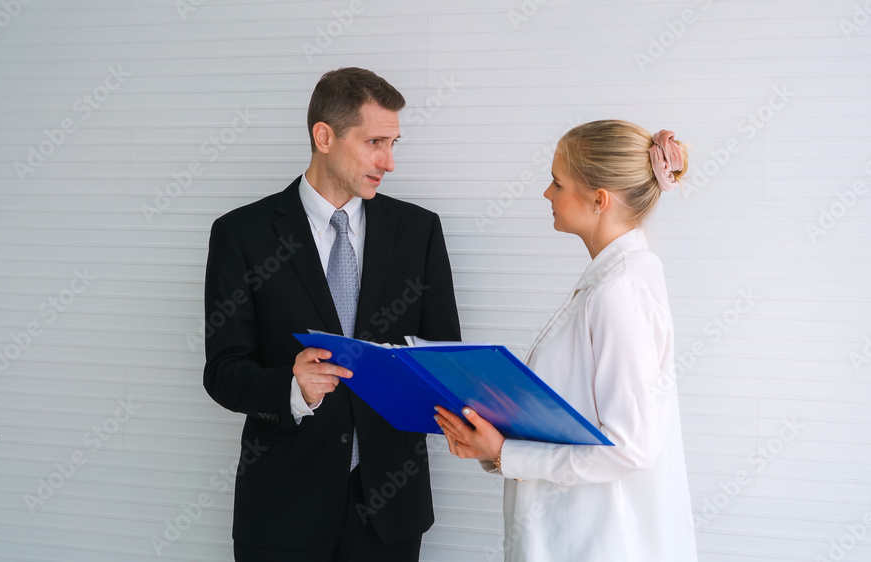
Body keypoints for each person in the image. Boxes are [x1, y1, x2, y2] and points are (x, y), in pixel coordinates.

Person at [203, 67, 461, 562]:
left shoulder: (419, 231)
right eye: (375, 142)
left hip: (390, 511)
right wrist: (290, 389)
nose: (389, 162)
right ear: (325, 136)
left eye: (394, 143)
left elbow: (444, 360)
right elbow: (222, 371)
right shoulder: (242, 234)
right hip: (281, 509)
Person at [435, 120, 698, 561]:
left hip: (595, 542)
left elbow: (629, 448)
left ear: (599, 200)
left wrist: (506, 454)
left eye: (558, 183)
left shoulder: (620, 290)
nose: (546, 194)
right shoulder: (618, 277)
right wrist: (496, 445)